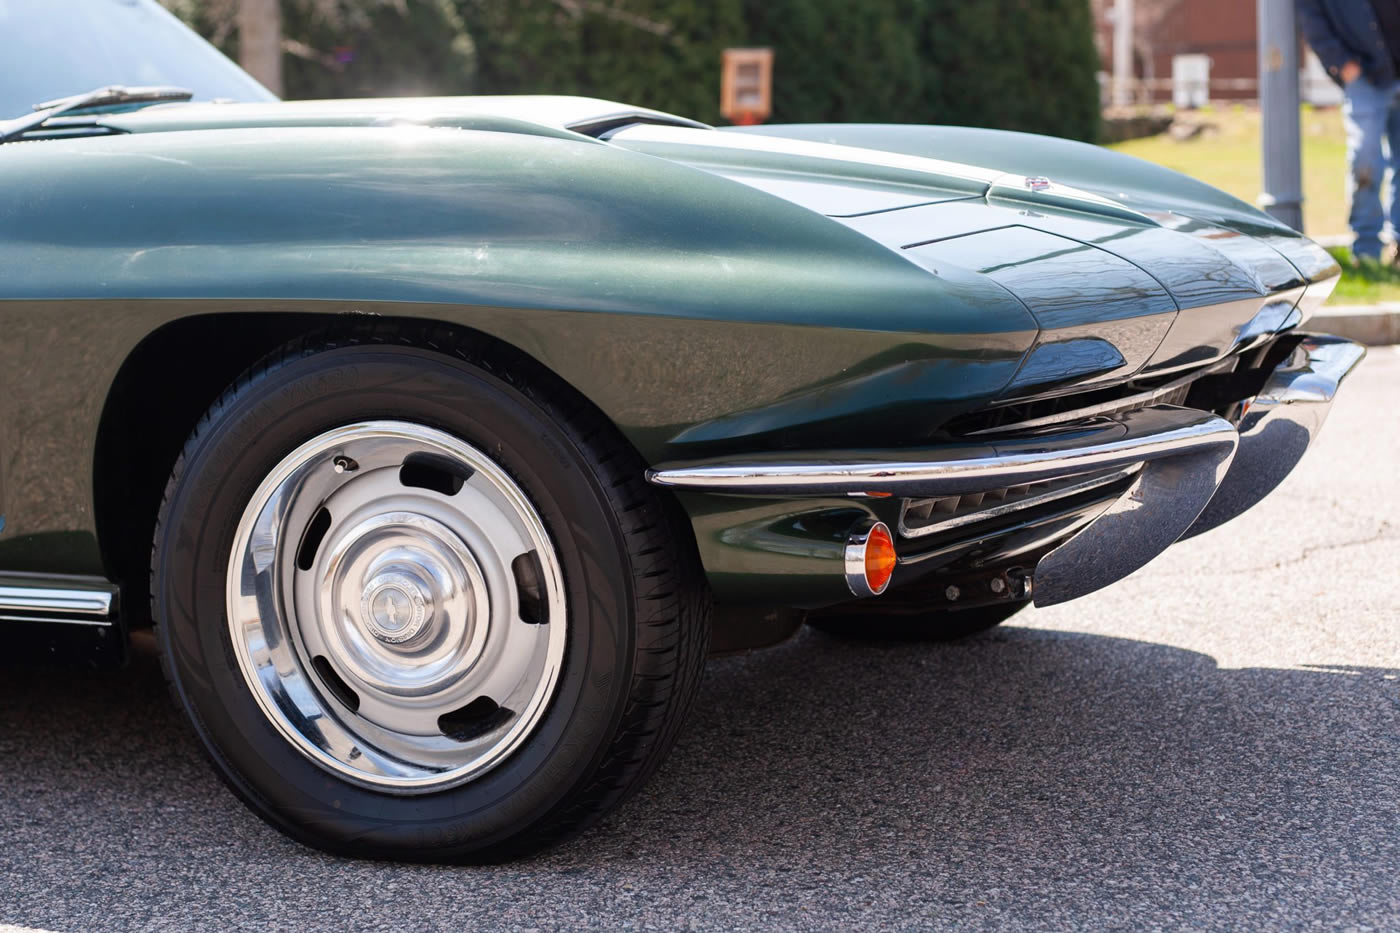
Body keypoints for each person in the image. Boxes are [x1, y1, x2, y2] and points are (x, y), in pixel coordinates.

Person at [1299, 0, 1400, 262]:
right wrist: (1343, 65)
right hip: (1365, 77)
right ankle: (1366, 251)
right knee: (1365, 159)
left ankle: (1398, 248)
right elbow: (1312, 19)